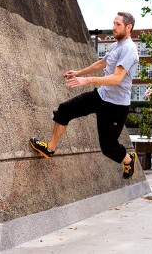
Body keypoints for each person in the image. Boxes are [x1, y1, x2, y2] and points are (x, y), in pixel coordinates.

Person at [30, 12, 139, 179]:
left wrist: (86, 80)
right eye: (114, 23)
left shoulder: (129, 49)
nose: (114, 27)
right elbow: (102, 63)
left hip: (116, 106)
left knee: (108, 148)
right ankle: (49, 149)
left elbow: (117, 79)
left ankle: (128, 159)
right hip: (101, 96)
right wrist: (78, 72)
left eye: (118, 24)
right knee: (65, 109)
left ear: (128, 27)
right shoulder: (116, 45)